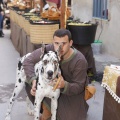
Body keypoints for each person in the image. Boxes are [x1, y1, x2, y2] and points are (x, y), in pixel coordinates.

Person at [23, 28, 89, 120]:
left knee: (70, 117)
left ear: (70, 43)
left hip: (71, 92)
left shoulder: (79, 61)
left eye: (64, 43)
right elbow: (27, 61)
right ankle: (46, 107)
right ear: (53, 42)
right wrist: (33, 79)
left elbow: (79, 86)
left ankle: (80, 106)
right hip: (51, 88)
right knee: (30, 84)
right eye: (56, 43)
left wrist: (64, 85)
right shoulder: (49, 49)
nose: (59, 47)